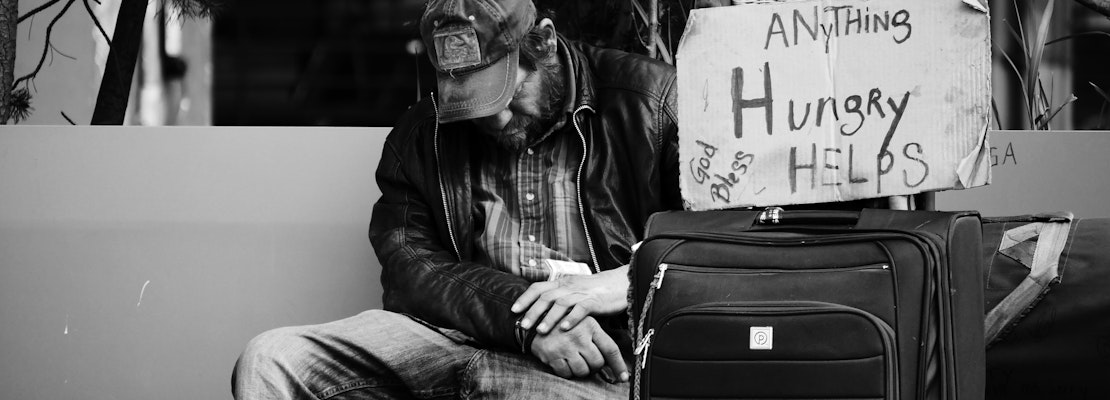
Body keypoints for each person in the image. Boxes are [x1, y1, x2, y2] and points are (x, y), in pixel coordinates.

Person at [232, 0, 680, 397]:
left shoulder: (652, 104)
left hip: (594, 357)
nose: (495, 119)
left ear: (543, 42)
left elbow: (717, 244)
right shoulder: (423, 134)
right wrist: (524, 321)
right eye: (473, 101)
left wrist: (624, 282)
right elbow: (409, 267)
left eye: (505, 93)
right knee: (272, 359)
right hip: (459, 337)